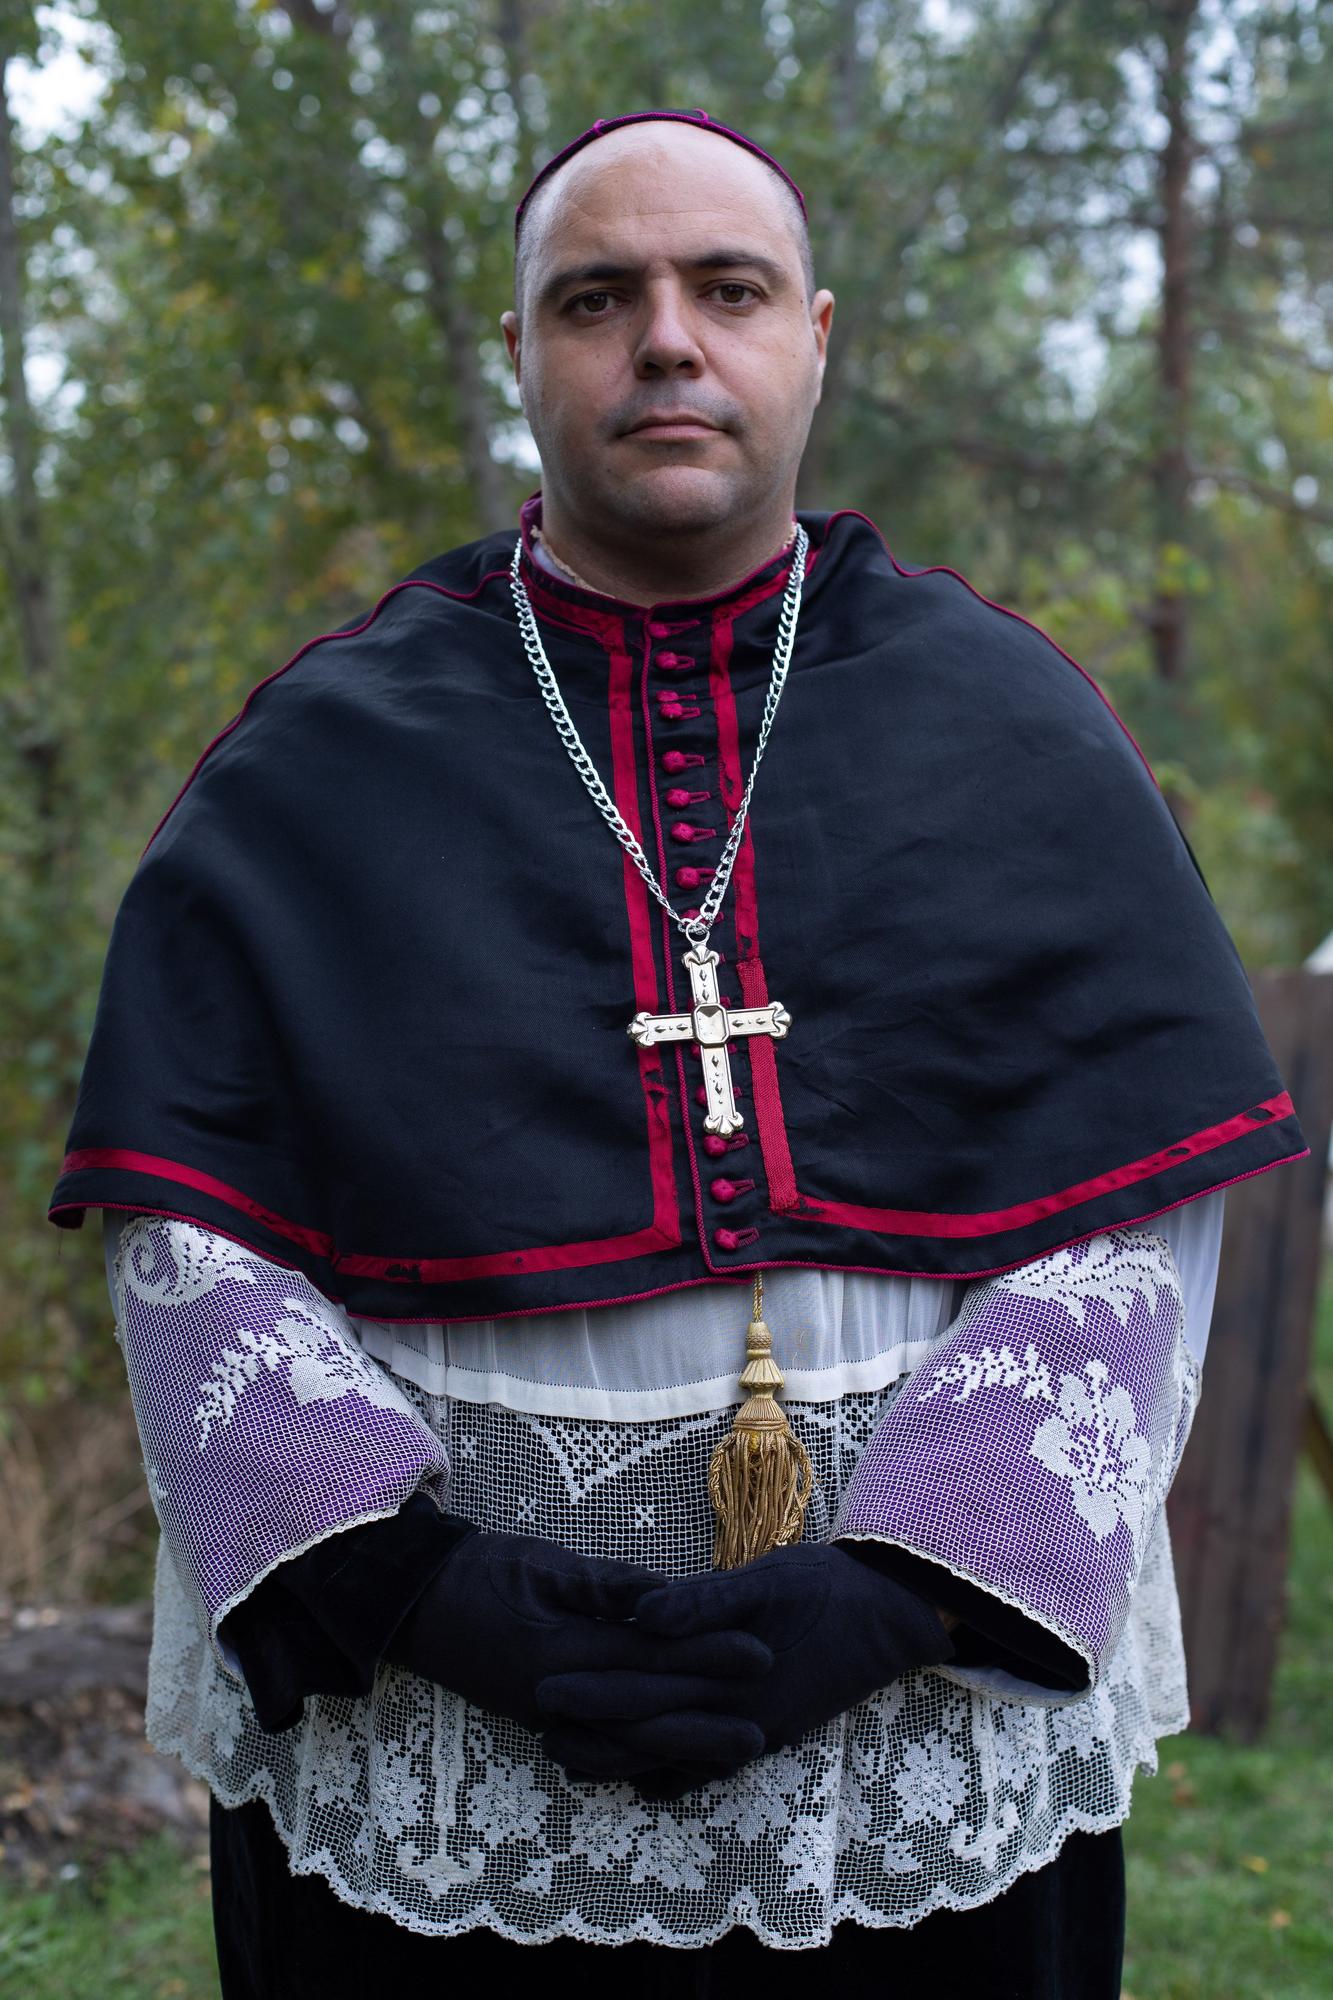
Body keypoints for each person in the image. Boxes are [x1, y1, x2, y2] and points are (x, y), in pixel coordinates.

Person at [50, 110, 1306, 1997]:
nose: (664, 340)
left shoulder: (1015, 726)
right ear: (520, 356)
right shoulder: (315, 764)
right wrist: (422, 1591)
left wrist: (900, 1588)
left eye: (723, 290)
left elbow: (1131, 1222)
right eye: (596, 297)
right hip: (441, 1730)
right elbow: (183, 1239)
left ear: (813, 335)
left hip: (912, 1727)